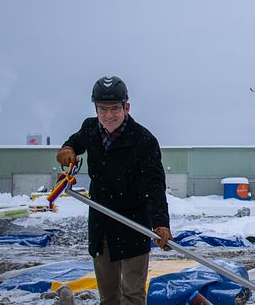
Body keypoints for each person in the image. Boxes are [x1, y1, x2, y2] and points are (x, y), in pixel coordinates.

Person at [56, 76, 171, 305]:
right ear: (96, 108)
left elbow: (154, 185)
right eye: (102, 109)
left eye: (115, 109)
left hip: (133, 223)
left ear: (126, 107)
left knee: (132, 294)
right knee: (108, 295)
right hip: (101, 222)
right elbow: (75, 141)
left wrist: (160, 222)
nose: (108, 115)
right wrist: (68, 149)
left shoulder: (143, 140)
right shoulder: (90, 129)